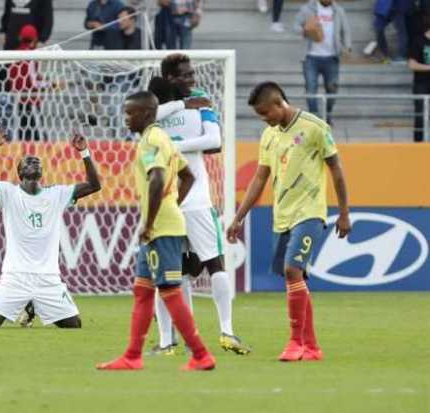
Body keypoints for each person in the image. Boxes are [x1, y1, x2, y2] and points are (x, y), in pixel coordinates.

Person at [227, 81, 351, 362]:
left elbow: (337, 170)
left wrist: (344, 213)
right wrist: (238, 217)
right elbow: (260, 178)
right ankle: (313, 347)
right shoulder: (269, 135)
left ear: (279, 103)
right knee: (296, 279)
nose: (264, 119)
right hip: (281, 216)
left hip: (309, 213)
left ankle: (295, 343)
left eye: (264, 113)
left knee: (292, 269)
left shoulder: (315, 127)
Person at [96, 91, 216, 371]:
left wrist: (149, 222)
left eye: (130, 114)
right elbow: (188, 175)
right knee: (142, 290)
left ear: (146, 114)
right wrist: (173, 203)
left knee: (170, 290)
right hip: (164, 219)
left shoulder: (151, 140)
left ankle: (201, 355)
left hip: (161, 227)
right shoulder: (164, 139)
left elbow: (157, 177)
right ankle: (132, 356)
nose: (125, 119)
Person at [145, 54, 252, 357]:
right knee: (171, 274)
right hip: (169, 201)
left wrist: (173, 145)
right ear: (168, 78)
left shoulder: (201, 99)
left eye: (192, 74)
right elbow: (145, 118)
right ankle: (169, 340)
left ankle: (226, 332)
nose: (192, 80)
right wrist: (180, 107)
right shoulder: (158, 106)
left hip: (193, 199)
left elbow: (215, 140)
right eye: (184, 75)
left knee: (212, 265)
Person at [0, 130, 102, 329]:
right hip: (16, 276)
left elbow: (94, 185)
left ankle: (33, 305)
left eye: (37, 161)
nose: (34, 161)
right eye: (28, 161)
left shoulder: (57, 194)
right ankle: (28, 304)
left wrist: (84, 152)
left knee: (74, 325)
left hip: (48, 278)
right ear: (20, 172)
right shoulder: (8, 192)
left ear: (42, 172)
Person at [293, 0, 352, 125]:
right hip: (310, 57)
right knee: (310, 89)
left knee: (332, 88)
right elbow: (295, 26)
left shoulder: (338, 10)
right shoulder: (307, 8)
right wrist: (305, 30)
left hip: (331, 57)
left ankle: (328, 114)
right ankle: (314, 119)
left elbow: (345, 30)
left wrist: (347, 46)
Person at [408, 13, 430, 142]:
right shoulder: (419, 40)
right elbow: (411, 64)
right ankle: (418, 144)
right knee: (420, 116)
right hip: (421, 84)